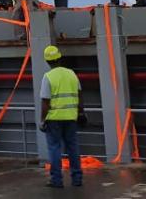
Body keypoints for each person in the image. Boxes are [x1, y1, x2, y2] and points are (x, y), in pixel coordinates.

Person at [40, 45, 84, 189]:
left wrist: (42, 120)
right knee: (73, 148)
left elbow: (45, 101)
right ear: (60, 58)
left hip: (54, 119)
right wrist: (81, 112)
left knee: (54, 149)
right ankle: (77, 178)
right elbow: (79, 94)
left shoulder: (48, 77)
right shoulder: (72, 73)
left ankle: (56, 180)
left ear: (47, 61)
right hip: (71, 117)